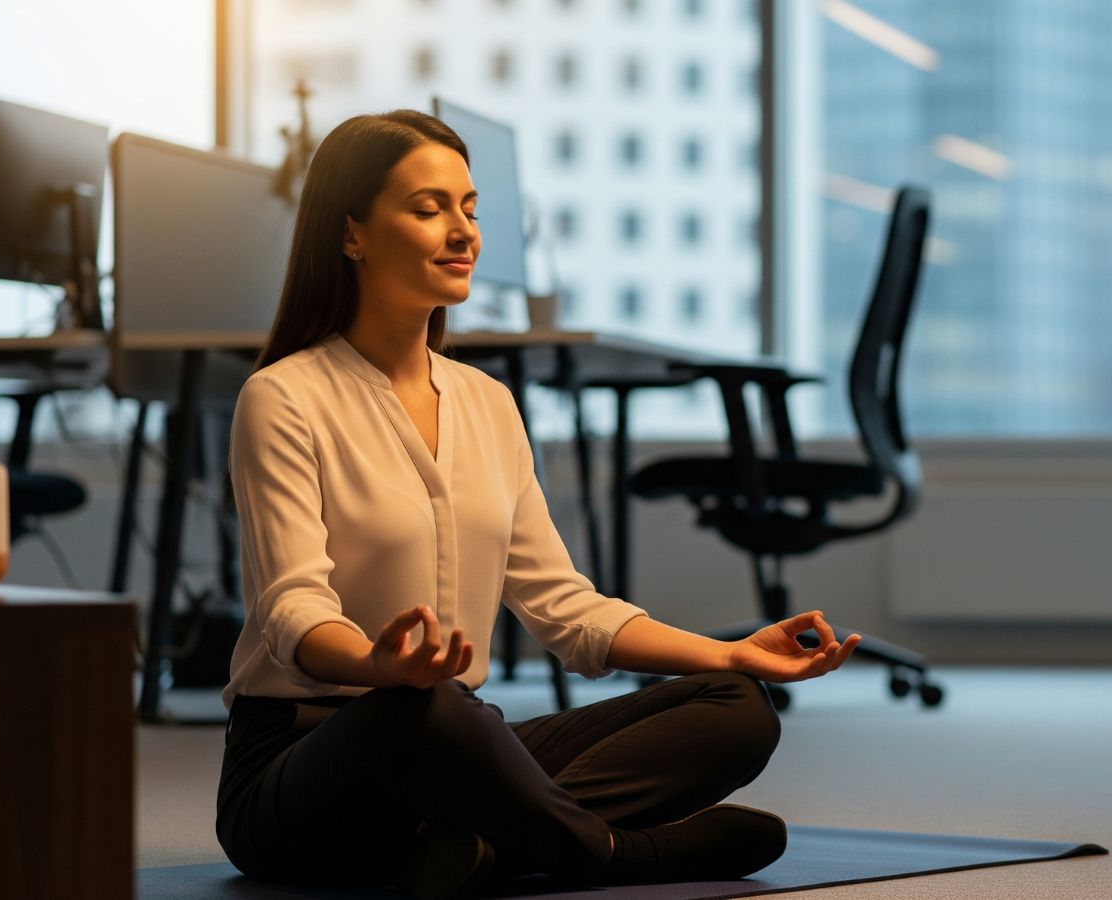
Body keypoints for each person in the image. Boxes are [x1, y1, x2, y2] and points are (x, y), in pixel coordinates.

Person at [214, 109, 861, 898]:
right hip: (306, 762)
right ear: (352, 233)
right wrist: (376, 665)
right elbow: (291, 611)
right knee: (424, 709)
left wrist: (730, 653)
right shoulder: (282, 397)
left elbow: (564, 608)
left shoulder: (489, 404)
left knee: (736, 706)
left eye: (470, 208)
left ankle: (478, 849)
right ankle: (617, 854)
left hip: (456, 749)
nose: (462, 232)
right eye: (428, 209)